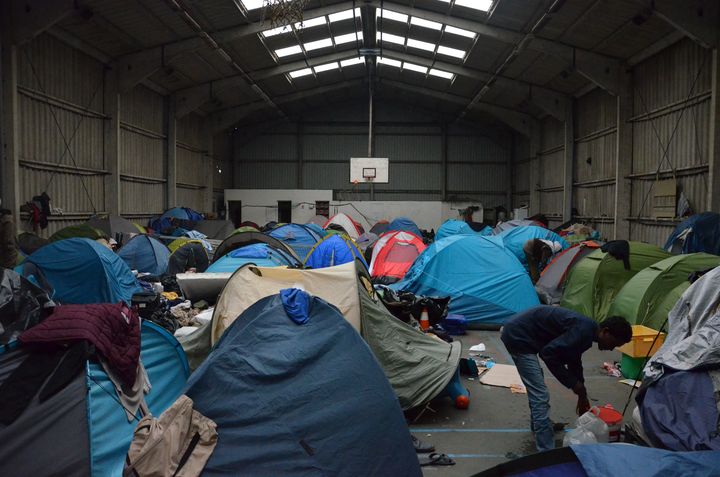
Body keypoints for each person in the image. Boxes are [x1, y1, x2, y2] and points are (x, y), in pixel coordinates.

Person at [501, 305, 632, 452]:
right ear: (605, 331)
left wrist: (581, 389)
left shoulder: (587, 331)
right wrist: (574, 384)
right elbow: (549, 354)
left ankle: (539, 425)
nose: (612, 349)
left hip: (525, 332)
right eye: (614, 343)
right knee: (540, 394)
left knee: (537, 386)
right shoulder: (584, 330)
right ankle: (545, 451)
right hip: (518, 336)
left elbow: (573, 358)